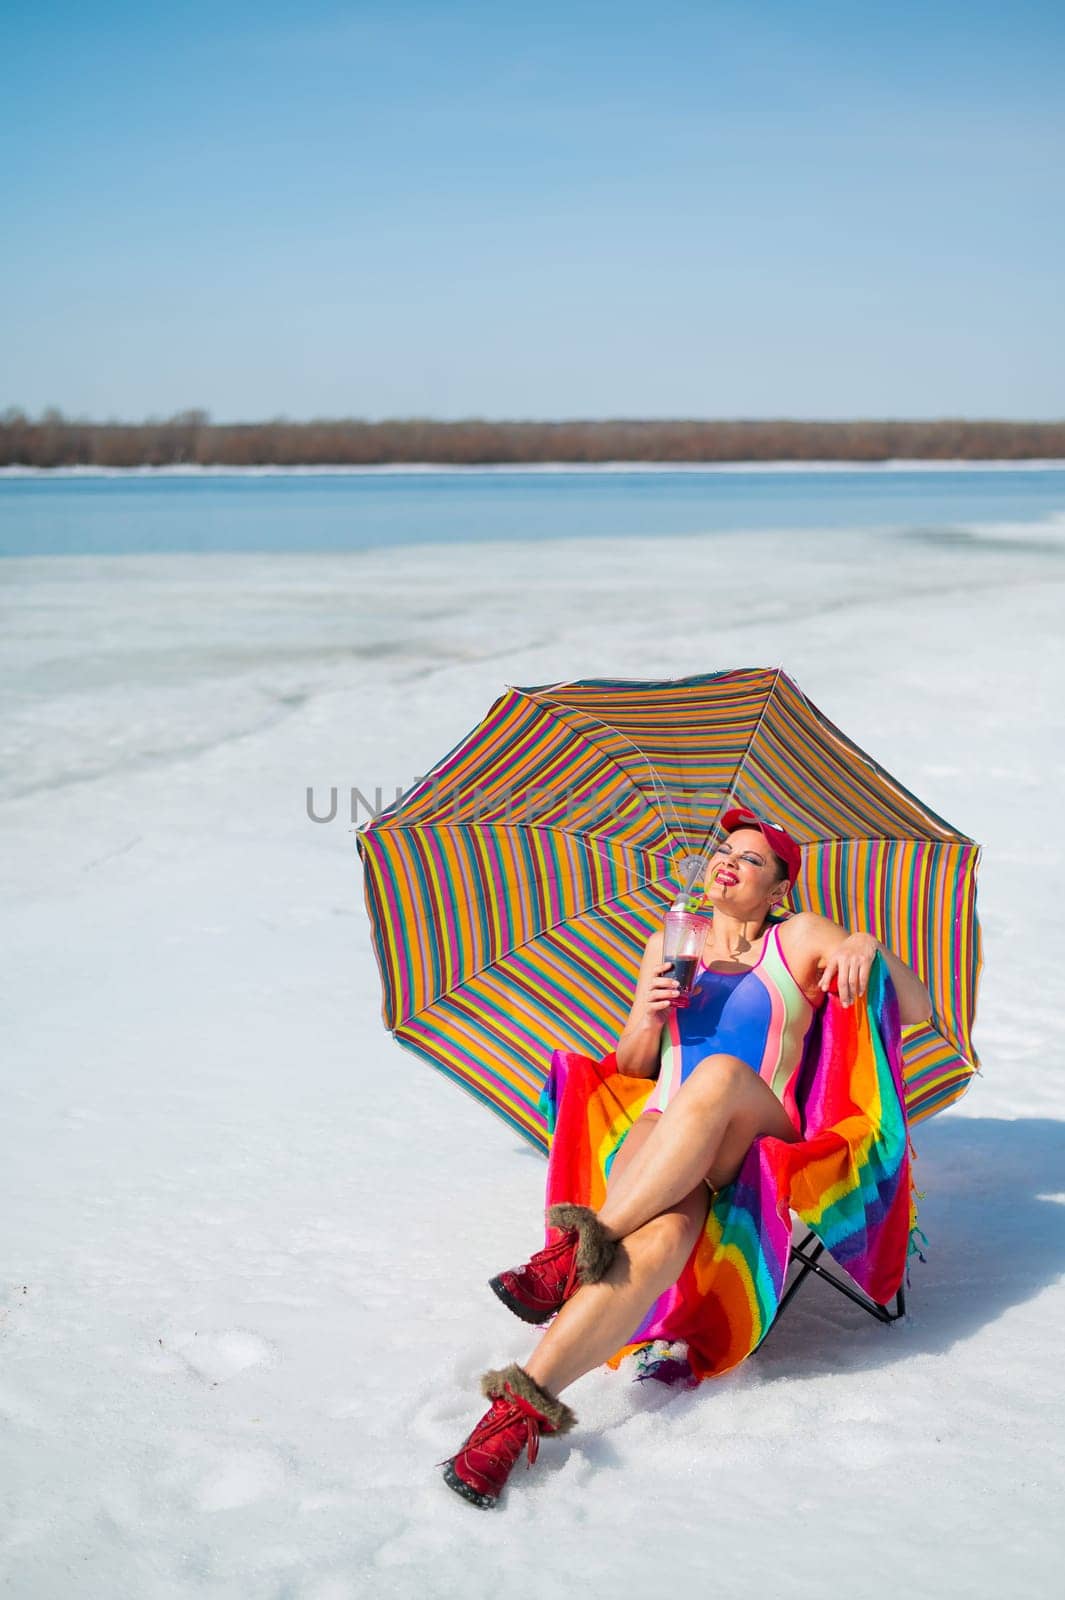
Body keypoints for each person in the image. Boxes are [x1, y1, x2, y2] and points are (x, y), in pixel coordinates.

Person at [440, 807, 932, 1509]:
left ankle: (576, 1250)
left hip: (753, 1132)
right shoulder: (674, 938)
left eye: (751, 859)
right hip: (664, 1125)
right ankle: (512, 1418)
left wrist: (863, 942)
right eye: (724, 850)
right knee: (662, 1237)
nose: (728, 861)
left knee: (719, 1076)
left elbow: (911, 1006)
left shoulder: (796, 938)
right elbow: (637, 1065)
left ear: (777, 890)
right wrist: (645, 1012)